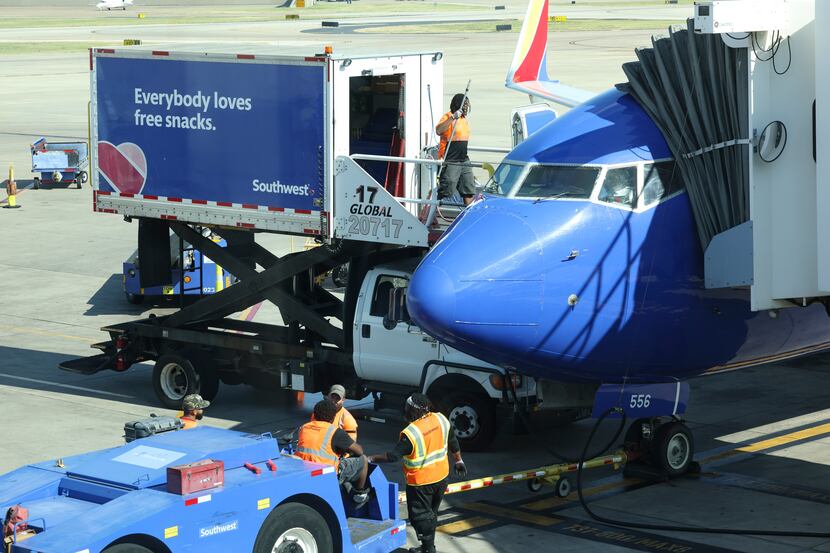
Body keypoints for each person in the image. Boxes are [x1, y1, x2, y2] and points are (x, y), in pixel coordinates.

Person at [370, 393, 466, 553]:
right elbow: (453, 441)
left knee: (419, 518)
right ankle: (427, 547)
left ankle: (429, 549)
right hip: (441, 477)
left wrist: (370, 458)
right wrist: (459, 460)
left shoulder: (411, 433)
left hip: (421, 483)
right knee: (431, 514)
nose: (405, 410)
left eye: (407, 408)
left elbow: (393, 456)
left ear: (413, 410)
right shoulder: (441, 419)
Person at [297, 399, 370, 505]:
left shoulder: (304, 428)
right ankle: (359, 494)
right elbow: (359, 451)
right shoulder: (335, 432)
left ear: (314, 414)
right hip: (327, 475)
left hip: (305, 472)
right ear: (333, 417)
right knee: (363, 459)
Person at [435, 93, 475, 207]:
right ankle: (431, 214)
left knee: (468, 189)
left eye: (467, 104)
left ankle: (468, 217)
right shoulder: (448, 116)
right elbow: (439, 130)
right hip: (451, 159)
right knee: (447, 189)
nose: (467, 107)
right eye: (465, 104)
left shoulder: (464, 119)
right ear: (458, 104)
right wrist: (453, 117)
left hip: (464, 159)